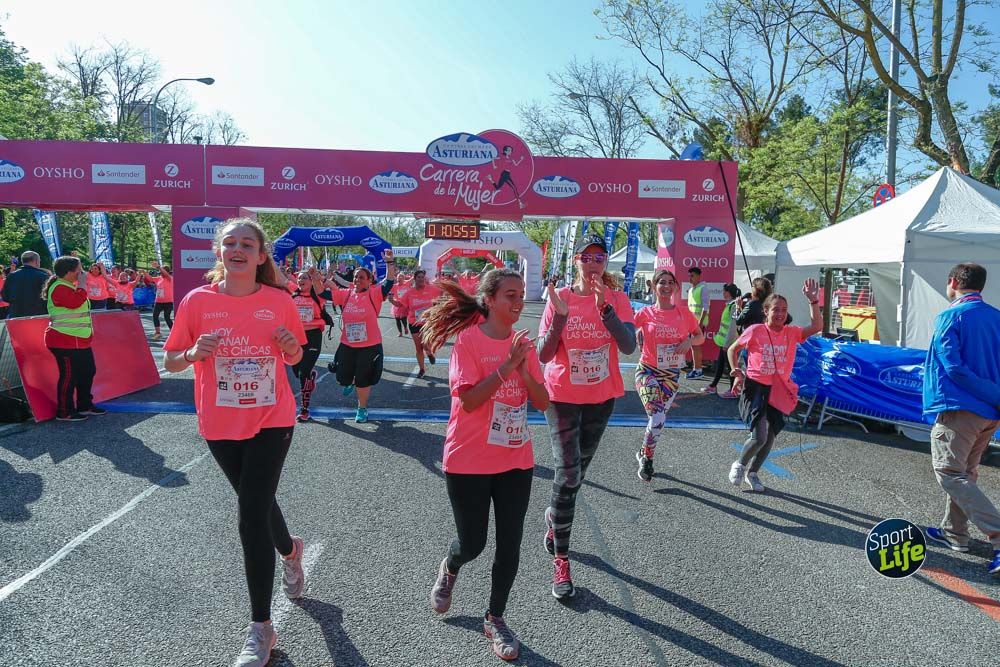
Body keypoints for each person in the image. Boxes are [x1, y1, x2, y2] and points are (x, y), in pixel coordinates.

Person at [162, 218, 308, 667]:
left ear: (261, 256)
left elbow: (298, 354)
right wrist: (191, 354)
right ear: (219, 252)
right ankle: (290, 549)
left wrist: (290, 347)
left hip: (271, 419)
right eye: (231, 243)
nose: (239, 249)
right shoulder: (197, 301)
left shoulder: (279, 301)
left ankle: (261, 626)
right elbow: (170, 362)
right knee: (257, 503)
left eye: (248, 244)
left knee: (249, 516)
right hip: (220, 422)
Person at [423, 268, 549, 661]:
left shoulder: (524, 345)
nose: (518, 302)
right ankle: (451, 563)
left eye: (521, 295)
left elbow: (543, 403)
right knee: (474, 542)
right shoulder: (469, 343)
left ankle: (495, 617)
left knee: (510, 543)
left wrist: (524, 370)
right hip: (469, 458)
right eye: (510, 295)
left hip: (515, 456)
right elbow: (471, 401)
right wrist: (507, 367)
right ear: (490, 300)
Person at [537, 235, 636, 599]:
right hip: (561, 396)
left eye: (600, 256)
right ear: (577, 261)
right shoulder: (559, 298)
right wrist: (561, 317)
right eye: (587, 256)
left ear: (605, 261)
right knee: (569, 473)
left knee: (577, 476)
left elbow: (628, 346)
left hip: (600, 396)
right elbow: (544, 354)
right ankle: (561, 559)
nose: (594, 262)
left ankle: (554, 520)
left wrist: (604, 310)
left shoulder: (618, 298)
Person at [921, 263, 1000, 575]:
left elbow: (952, 367)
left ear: (952, 281)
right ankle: (955, 533)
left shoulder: (950, 316)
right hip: (989, 414)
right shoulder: (996, 317)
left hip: (961, 407)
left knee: (949, 473)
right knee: (965, 472)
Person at [726, 279, 821, 493]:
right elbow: (732, 349)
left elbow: (817, 326)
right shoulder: (755, 330)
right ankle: (740, 464)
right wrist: (736, 371)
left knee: (770, 437)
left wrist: (813, 300)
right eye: (776, 310)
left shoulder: (792, 332)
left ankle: (753, 473)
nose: (780, 314)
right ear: (766, 311)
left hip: (779, 388)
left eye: (784, 310)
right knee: (759, 435)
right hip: (756, 387)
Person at [632, 269, 704, 482]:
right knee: (656, 416)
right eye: (661, 282)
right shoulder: (645, 313)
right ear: (654, 287)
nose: (666, 286)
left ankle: (644, 451)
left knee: (658, 420)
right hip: (647, 371)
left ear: (675, 287)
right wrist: (634, 332)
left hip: (671, 375)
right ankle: (647, 459)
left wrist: (689, 341)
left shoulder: (683, 313)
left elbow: (699, 336)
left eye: (670, 283)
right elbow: (625, 329)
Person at [325, 251, 397, 423]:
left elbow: (389, 282)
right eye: (356, 277)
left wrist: (389, 262)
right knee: (342, 377)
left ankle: (362, 408)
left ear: (369, 280)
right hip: (347, 344)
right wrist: (316, 278)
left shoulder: (375, 293)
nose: (358, 280)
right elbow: (323, 294)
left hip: (369, 345)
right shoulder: (347, 294)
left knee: (363, 379)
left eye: (362, 277)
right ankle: (349, 382)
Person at [43, 256, 106, 422]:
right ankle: (64, 412)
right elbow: (74, 303)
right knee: (69, 376)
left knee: (88, 371)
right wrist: (83, 285)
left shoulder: (68, 286)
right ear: (70, 272)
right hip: (63, 340)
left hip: (79, 339)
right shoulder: (59, 287)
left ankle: (84, 405)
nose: (82, 272)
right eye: (79, 269)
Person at [290, 268, 334, 422]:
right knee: (297, 372)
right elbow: (279, 278)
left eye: (305, 278)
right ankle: (311, 378)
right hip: (295, 337)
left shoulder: (318, 296)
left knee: (303, 373)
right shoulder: (292, 294)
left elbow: (327, 288)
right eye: (299, 278)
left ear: (311, 282)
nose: (301, 280)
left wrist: (318, 278)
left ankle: (304, 409)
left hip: (313, 336)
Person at [393, 269, 443, 379]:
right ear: (414, 279)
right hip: (414, 322)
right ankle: (422, 369)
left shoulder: (431, 289)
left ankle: (429, 353)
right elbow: (399, 304)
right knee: (418, 348)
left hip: (427, 322)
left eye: (422, 277)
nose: (421, 279)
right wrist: (391, 299)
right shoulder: (409, 292)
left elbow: (442, 292)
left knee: (425, 344)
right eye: (418, 277)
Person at [702, 283, 741, 398]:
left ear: (729, 293)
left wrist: (727, 344)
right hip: (725, 342)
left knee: (731, 367)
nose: (723, 293)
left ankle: (733, 390)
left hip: (728, 343)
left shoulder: (733, 306)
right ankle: (713, 386)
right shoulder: (730, 305)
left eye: (724, 291)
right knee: (720, 364)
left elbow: (732, 327)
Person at [2, 250, 49, 318]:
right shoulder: (43, 276)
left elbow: (5, 297)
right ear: (36, 261)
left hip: (16, 317)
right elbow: (48, 298)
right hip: (39, 317)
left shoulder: (11, 276)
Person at [685, 267, 709, 378]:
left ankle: (698, 370)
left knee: (696, 346)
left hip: (698, 323)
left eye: (692, 276)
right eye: (689, 276)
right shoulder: (691, 289)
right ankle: (696, 369)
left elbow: (705, 307)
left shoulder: (703, 288)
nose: (690, 278)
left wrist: (699, 323)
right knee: (694, 346)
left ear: (699, 276)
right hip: (691, 323)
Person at [152, 263, 174, 340]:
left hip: (168, 301)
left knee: (167, 317)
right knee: (155, 316)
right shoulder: (159, 278)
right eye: (160, 272)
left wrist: (159, 267)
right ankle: (158, 333)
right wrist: (143, 273)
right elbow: (150, 279)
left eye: (162, 271)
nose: (161, 273)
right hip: (158, 301)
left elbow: (166, 274)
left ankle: (173, 333)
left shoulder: (170, 278)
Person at [389, 271, 412, 337]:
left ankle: (405, 327)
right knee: (397, 319)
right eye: (398, 277)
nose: (399, 278)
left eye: (401, 277)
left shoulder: (407, 283)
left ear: (403, 278)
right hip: (397, 304)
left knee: (403, 318)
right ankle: (400, 332)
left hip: (404, 304)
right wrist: (391, 297)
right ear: (397, 278)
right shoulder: (394, 286)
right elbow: (390, 293)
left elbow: (412, 279)